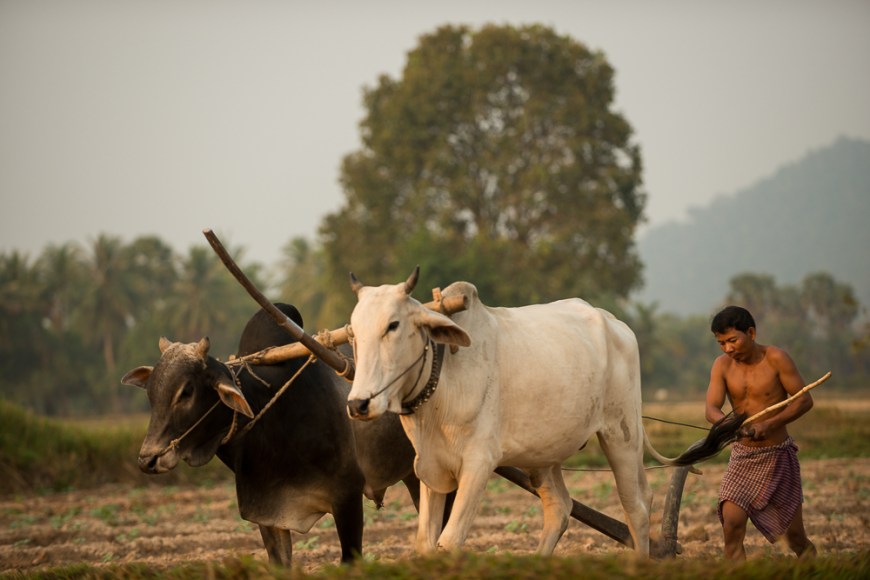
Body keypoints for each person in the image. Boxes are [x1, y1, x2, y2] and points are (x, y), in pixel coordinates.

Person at [705, 305, 817, 561]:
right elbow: (711, 408)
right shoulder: (721, 366)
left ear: (752, 333)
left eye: (733, 340)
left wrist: (769, 425)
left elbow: (804, 401)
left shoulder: (776, 358)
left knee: (795, 538)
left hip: (778, 456)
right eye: (721, 343)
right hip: (743, 457)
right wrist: (729, 425)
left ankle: (814, 568)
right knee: (731, 525)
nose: (727, 349)